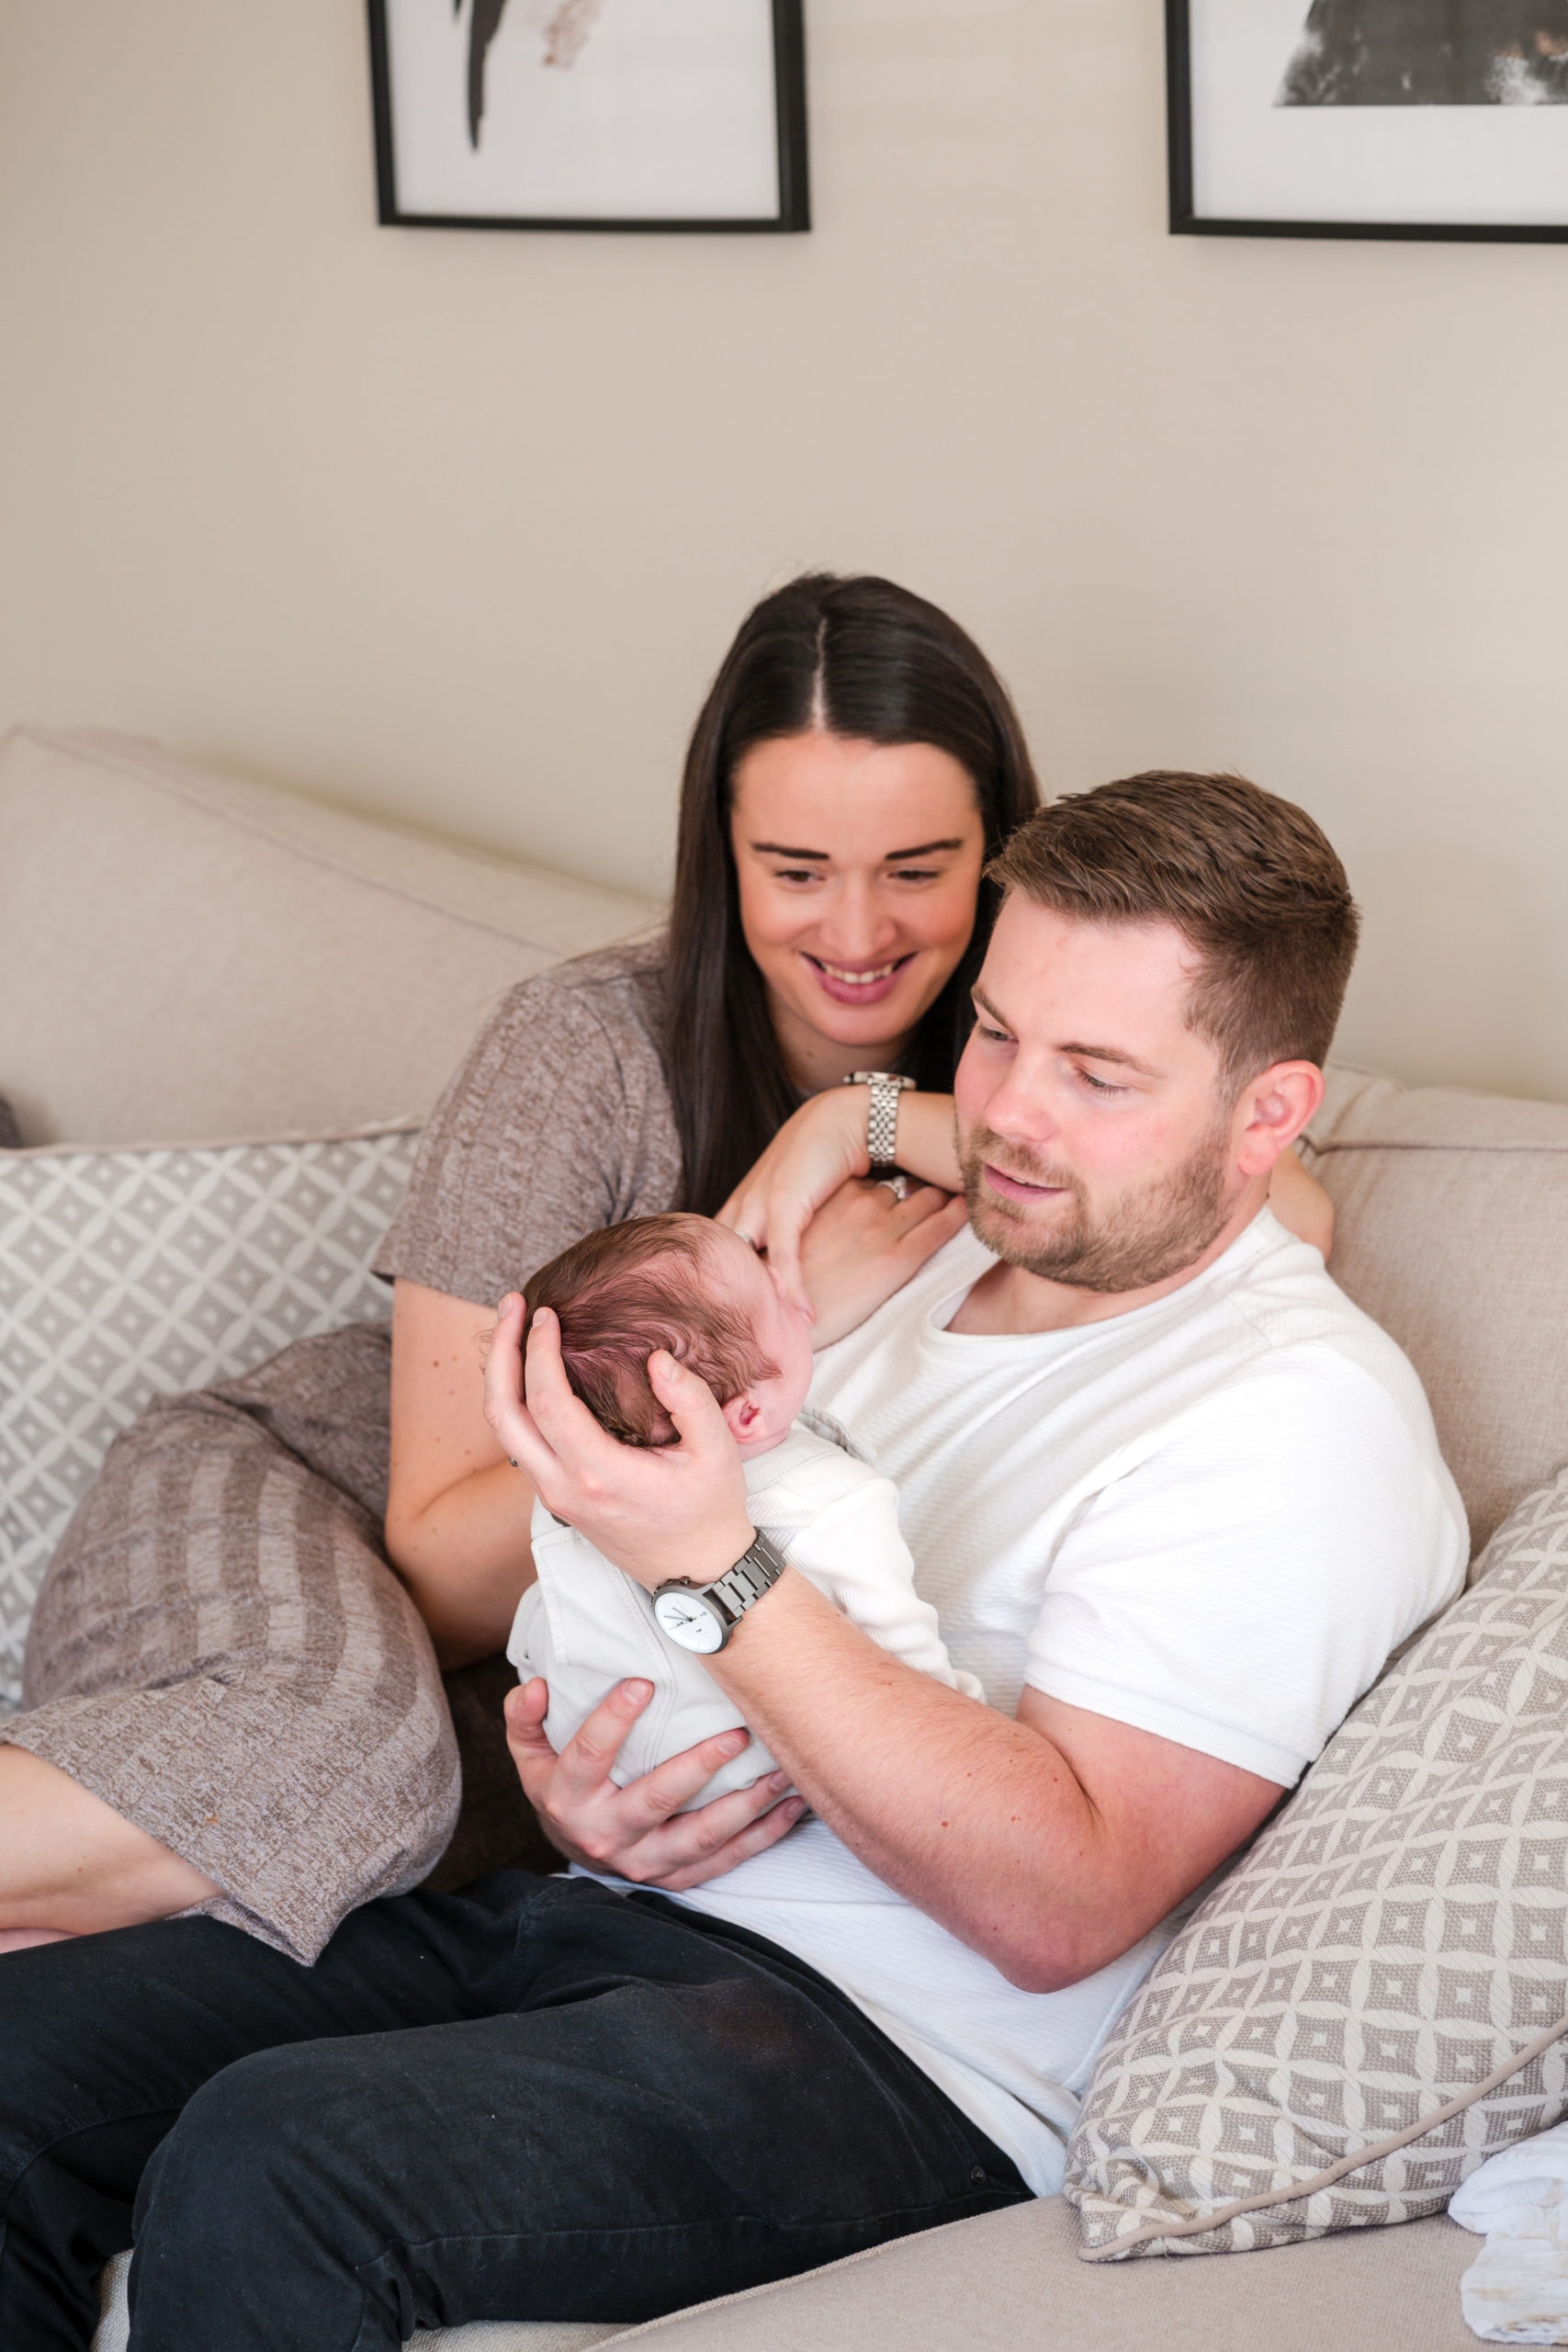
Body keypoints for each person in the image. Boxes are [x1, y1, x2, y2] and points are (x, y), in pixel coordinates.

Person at [0, 769, 1466, 2350]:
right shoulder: (921, 1243)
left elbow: (1060, 1901)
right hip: (601, 1916)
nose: (1012, 1115)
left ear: (1269, 1112)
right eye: (992, 1033)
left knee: (280, 2163)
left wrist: (720, 1571)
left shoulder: (1297, 1422)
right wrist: (579, 1778)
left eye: (1097, 1073)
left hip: (887, 2058)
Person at [0, 570, 1332, 1962]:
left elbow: (1282, 1213)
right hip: (309, 1500)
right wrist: (800, 1310)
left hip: (542, 1662)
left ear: (1002, 858)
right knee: (357, 1766)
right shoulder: (583, 1053)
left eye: (920, 871)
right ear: (720, 851)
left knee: (302, 1893)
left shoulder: (1019, 1068)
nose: (859, 934)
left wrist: (854, 1118)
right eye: (796, 870)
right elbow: (446, 1563)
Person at [506, 1211, 979, 1808]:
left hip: (597, 1764)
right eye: (772, 1293)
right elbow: (910, 1675)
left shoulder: (572, 1495)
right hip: (750, 1783)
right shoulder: (832, 1500)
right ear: (749, 1414)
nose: (790, 1282)